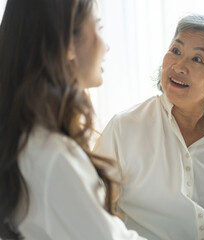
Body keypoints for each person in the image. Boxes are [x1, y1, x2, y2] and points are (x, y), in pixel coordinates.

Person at [95, 14, 204, 240]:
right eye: (176, 51)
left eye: (197, 60)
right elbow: (95, 210)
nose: (179, 66)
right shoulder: (124, 127)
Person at [0, 0, 146, 239]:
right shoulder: (53, 156)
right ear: (68, 42)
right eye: (98, 28)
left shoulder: (26, 137)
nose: (106, 46)